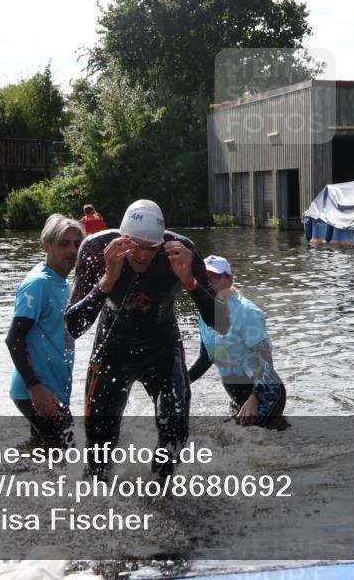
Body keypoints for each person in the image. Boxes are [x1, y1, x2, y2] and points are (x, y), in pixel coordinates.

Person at [65, 199, 227, 476]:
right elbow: (74, 326)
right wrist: (107, 280)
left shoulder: (180, 251)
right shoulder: (95, 248)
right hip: (111, 351)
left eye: (150, 248)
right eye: (134, 245)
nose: (141, 255)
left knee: (175, 428)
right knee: (99, 449)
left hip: (161, 349)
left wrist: (190, 281)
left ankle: (162, 497)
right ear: (122, 238)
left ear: (161, 244)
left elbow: (222, 323)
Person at [5, 214, 85, 447]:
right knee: (68, 449)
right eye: (64, 243)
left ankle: (8, 474)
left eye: (77, 243)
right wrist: (36, 389)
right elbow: (14, 338)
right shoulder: (38, 282)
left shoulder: (63, 283)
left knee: (42, 455)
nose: (72, 249)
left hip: (52, 389)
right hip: (37, 390)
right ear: (46, 245)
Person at [189, 256, 286, 427]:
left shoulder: (247, 312)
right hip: (236, 394)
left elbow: (266, 360)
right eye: (205, 279)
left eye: (216, 278)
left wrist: (254, 399)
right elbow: (206, 357)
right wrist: (180, 382)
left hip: (265, 393)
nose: (210, 284)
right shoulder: (204, 314)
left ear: (230, 279)